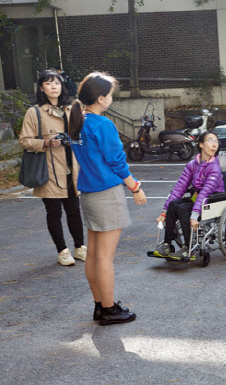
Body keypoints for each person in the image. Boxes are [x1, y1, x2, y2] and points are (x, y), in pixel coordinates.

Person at [68, 72, 147, 326]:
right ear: (101, 98)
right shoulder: (102, 124)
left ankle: (100, 306)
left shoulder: (78, 122)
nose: (112, 98)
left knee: (93, 254)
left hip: (89, 194)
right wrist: (135, 187)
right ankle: (110, 309)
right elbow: (117, 162)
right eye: (110, 94)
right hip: (106, 194)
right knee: (104, 258)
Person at [19, 69, 85, 266]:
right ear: (41, 88)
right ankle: (62, 251)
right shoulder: (35, 112)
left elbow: (81, 136)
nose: (53, 86)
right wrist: (47, 143)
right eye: (48, 83)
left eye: (56, 83)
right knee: (54, 212)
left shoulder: (71, 108)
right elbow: (24, 141)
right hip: (49, 171)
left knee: (74, 211)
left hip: (71, 169)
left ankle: (80, 247)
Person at [154, 130, 224, 259]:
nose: (214, 144)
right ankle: (167, 244)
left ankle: (188, 248)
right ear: (201, 144)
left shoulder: (215, 168)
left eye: (216, 141)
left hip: (213, 199)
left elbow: (205, 192)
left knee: (182, 208)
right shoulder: (192, 165)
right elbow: (179, 188)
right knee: (173, 204)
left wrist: (194, 215)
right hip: (197, 198)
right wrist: (163, 212)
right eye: (210, 140)